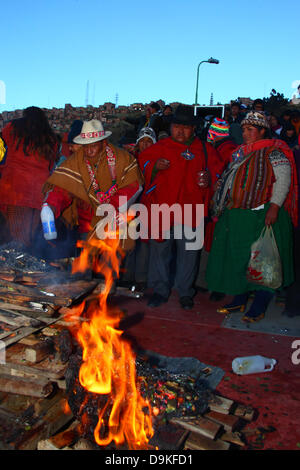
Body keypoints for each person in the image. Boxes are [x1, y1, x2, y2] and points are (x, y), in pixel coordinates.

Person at [206, 111, 298, 323]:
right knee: (240, 260)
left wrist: (274, 207)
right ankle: (240, 297)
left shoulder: (274, 151)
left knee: (263, 261)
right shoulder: (240, 153)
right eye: (244, 129)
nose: (245, 133)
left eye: (250, 130)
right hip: (239, 216)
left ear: (262, 131)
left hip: (262, 216)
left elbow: (283, 180)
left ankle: (259, 305)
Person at [138, 104, 225, 309]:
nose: (180, 130)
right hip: (162, 211)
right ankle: (160, 290)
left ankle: (185, 292)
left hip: (191, 212)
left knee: (189, 255)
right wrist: (154, 167)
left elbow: (219, 173)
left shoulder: (205, 150)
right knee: (160, 253)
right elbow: (141, 167)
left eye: (185, 127)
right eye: (177, 126)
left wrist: (209, 180)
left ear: (193, 129)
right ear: (171, 127)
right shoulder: (158, 148)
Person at [43, 119, 144, 254]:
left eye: (94, 146)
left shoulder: (122, 159)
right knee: (86, 264)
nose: (89, 151)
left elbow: (133, 186)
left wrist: (109, 209)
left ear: (104, 142)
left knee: (110, 266)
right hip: (87, 224)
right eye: (85, 146)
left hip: (116, 224)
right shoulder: (76, 162)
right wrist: (50, 206)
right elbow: (62, 189)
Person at [0, 106, 58, 249]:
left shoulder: (13, 128)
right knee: (28, 238)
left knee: (17, 242)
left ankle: (17, 269)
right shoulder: (51, 138)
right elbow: (51, 166)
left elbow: (4, 139)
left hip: (15, 192)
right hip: (39, 195)